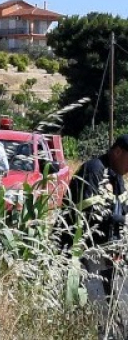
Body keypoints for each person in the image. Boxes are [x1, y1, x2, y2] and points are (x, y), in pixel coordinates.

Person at [62, 134, 128, 332]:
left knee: (114, 303)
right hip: (88, 252)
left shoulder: (116, 177)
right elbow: (89, 215)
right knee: (100, 304)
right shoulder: (94, 170)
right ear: (117, 152)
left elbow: (121, 210)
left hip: (109, 253)